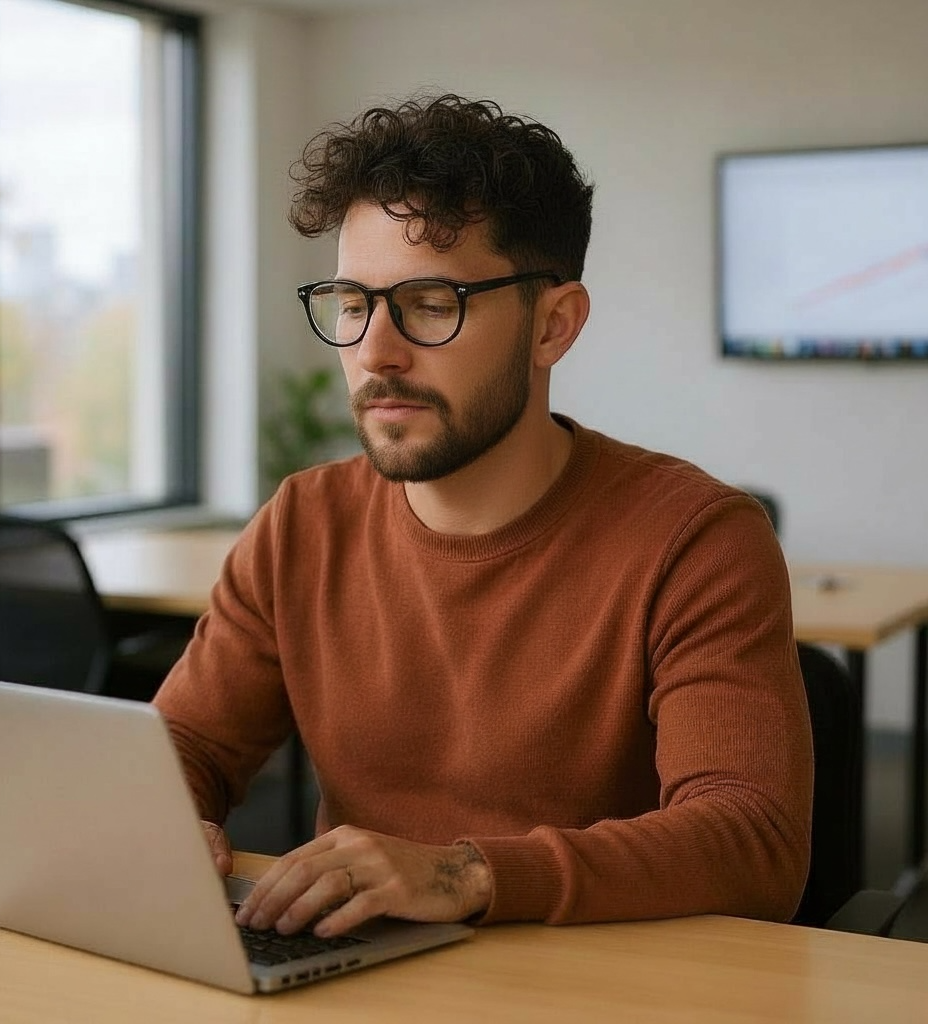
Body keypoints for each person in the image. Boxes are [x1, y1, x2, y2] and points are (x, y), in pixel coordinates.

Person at [154, 93, 813, 940]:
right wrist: (170, 819)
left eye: (431, 305)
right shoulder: (303, 522)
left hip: (597, 986)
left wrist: (466, 873)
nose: (373, 353)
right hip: (354, 979)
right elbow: (186, 747)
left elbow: (753, 842)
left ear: (553, 326)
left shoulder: (697, 539)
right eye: (353, 303)